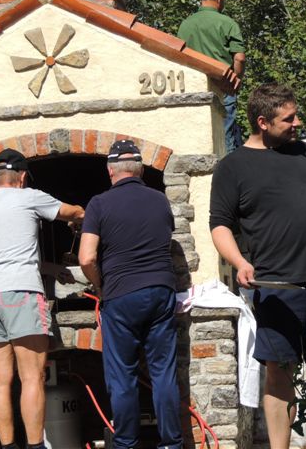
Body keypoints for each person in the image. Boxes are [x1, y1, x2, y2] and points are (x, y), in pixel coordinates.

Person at [210, 83, 306, 448]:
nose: (297, 123)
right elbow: (219, 225)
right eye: (288, 119)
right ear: (263, 122)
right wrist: (240, 262)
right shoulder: (233, 167)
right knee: (278, 370)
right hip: (277, 290)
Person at [0, 148, 85, 449]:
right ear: (21, 177)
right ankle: (35, 446)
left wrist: (51, 268)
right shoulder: (28, 196)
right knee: (33, 376)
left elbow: (6, 255)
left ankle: (9, 446)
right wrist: (78, 219)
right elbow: (74, 211)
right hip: (20, 293)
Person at [78, 140, 182, 449]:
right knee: (163, 372)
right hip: (162, 291)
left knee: (122, 376)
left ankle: (125, 443)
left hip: (121, 295)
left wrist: (99, 286)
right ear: (139, 170)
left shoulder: (98, 204)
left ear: (110, 170)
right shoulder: (160, 200)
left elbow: (86, 258)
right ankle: (171, 444)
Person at [178, 0, 246, 153]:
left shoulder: (185, 25)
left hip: (195, 90)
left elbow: (180, 56)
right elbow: (239, 58)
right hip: (223, 87)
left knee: (201, 137)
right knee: (225, 138)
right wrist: (235, 80)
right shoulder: (227, 23)